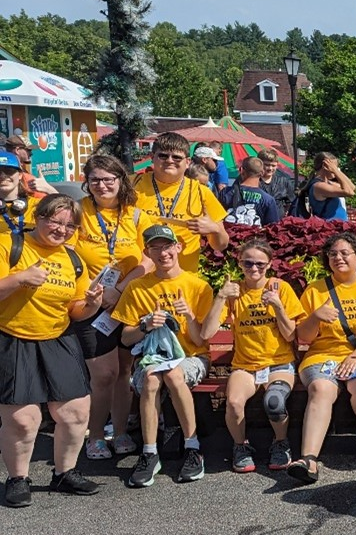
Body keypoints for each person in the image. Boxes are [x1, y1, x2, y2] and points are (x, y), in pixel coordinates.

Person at [0, 194, 103, 506]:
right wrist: (19, 279)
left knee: (75, 412)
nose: (62, 230)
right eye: (56, 222)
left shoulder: (72, 260)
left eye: (69, 225)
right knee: (23, 419)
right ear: (39, 216)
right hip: (13, 336)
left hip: (58, 337)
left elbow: (75, 310)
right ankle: (17, 479)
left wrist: (92, 304)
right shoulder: (10, 244)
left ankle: (64, 474)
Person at [113, 224, 217, 488]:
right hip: (152, 359)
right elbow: (125, 338)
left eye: (167, 246)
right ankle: (149, 452)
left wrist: (189, 316)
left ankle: (193, 448)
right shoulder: (137, 287)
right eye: (155, 248)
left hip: (192, 357)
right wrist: (146, 325)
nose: (163, 253)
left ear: (178, 247)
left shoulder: (198, 285)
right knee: (150, 378)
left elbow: (200, 341)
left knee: (172, 372)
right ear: (147, 252)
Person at [288, 232, 356, 483]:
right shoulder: (315, 290)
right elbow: (303, 336)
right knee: (321, 388)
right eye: (333, 254)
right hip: (322, 355)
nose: (338, 258)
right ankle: (309, 459)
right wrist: (315, 317)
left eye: (345, 253)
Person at [73, 155, 157, 462]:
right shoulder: (79, 211)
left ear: (121, 180)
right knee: (103, 374)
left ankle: (119, 431)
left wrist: (118, 289)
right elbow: (67, 252)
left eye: (109, 178)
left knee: (124, 371)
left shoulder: (135, 215)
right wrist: (96, 292)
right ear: (87, 182)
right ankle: (95, 435)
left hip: (126, 301)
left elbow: (150, 258)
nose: (102, 185)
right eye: (95, 179)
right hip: (91, 302)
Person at [215, 238, 305, 474]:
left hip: (279, 363)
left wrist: (277, 307)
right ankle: (240, 446)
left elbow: (289, 335)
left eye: (260, 264)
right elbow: (207, 331)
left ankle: (280, 442)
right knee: (234, 403)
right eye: (248, 264)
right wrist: (221, 297)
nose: (254, 269)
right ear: (240, 263)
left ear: (269, 264)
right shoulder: (234, 290)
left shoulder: (280, 288)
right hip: (245, 365)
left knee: (274, 402)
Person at [134, 132, 230, 272]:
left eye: (177, 157)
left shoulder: (200, 192)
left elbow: (221, 245)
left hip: (182, 282)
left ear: (188, 162)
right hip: (138, 281)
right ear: (152, 157)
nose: (170, 161)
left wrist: (215, 229)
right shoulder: (132, 185)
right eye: (163, 156)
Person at [221, 157, 283, 226]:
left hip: (229, 235)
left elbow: (216, 219)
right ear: (262, 173)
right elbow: (273, 229)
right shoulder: (268, 200)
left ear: (241, 170)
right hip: (256, 236)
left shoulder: (225, 193)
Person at [301, 152, 356, 221]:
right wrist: (335, 171)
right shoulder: (319, 186)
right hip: (330, 227)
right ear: (325, 166)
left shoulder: (329, 183)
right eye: (334, 166)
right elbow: (349, 192)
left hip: (339, 226)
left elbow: (352, 188)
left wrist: (337, 171)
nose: (336, 169)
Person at [0, 151, 40, 242]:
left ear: (20, 175)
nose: (2, 176)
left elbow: (68, 213)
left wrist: (48, 189)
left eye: (9, 171)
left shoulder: (38, 205)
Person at [257, 149, 297, 216]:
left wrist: (286, 212)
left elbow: (292, 201)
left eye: (273, 166)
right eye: (266, 165)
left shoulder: (283, 181)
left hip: (278, 221)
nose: (270, 168)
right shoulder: (252, 181)